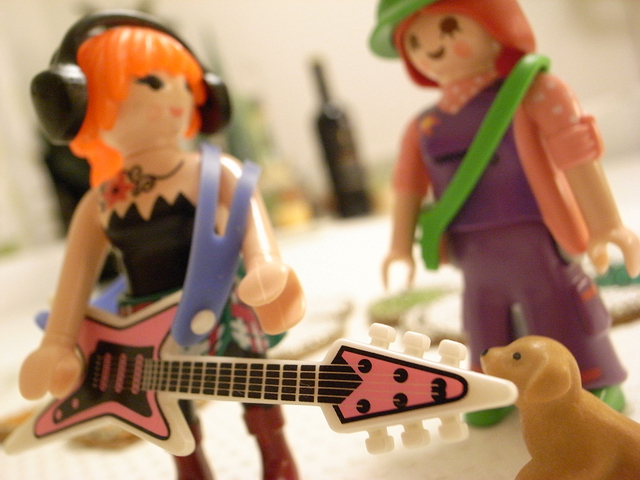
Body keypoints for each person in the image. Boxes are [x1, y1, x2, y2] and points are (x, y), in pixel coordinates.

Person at [18, 11, 304, 480]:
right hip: (145, 323)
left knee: (255, 384)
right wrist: (57, 345)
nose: (175, 97)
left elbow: (252, 220)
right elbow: (76, 276)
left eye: (184, 84)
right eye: (152, 83)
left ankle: (277, 458)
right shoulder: (99, 203)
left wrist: (265, 264)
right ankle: (191, 469)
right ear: (80, 105)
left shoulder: (214, 170)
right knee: (167, 407)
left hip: (224, 306)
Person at [370, 0, 640, 425]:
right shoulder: (422, 127)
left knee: (556, 309)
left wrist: (607, 225)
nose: (431, 47)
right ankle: (490, 388)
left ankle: (586, 380)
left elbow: (576, 155)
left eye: (450, 28)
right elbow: (407, 188)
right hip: (472, 249)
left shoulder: (535, 93)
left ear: (496, 28)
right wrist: (399, 248)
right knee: (483, 319)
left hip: (536, 236)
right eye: (415, 42)